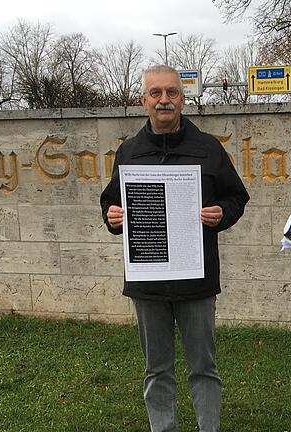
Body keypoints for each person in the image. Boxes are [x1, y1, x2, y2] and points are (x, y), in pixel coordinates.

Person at [100, 65, 250, 432]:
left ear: (183, 99)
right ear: (143, 100)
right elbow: (110, 204)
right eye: (156, 93)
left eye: (171, 93)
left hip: (195, 279)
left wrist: (222, 214)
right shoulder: (129, 153)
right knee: (157, 369)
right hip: (148, 282)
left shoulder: (208, 148)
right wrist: (113, 216)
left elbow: (237, 197)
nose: (163, 100)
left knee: (204, 368)